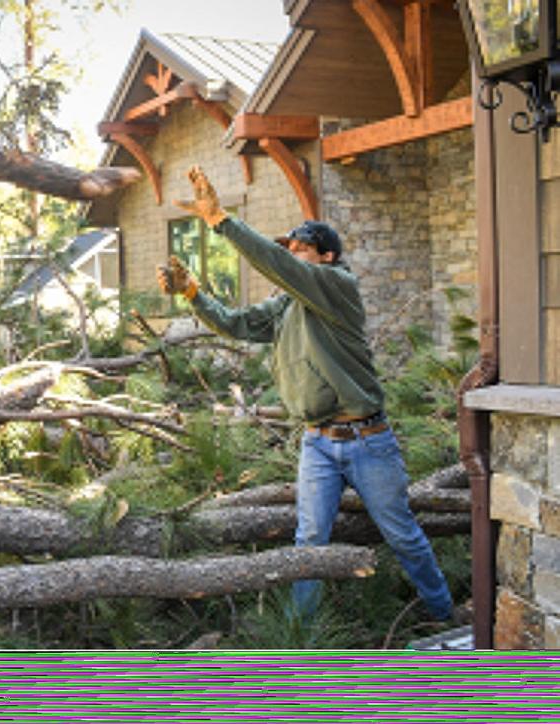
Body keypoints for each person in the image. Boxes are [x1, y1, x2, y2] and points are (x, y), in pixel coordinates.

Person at [157, 165, 453, 622]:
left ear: (327, 256)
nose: (291, 253)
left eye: (301, 248)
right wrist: (193, 293)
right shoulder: (285, 306)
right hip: (316, 443)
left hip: (368, 441)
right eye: (289, 248)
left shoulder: (339, 287)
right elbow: (236, 324)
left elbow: (280, 267)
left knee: (403, 535)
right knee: (309, 544)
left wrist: (221, 219)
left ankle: (444, 616)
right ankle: (299, 645)